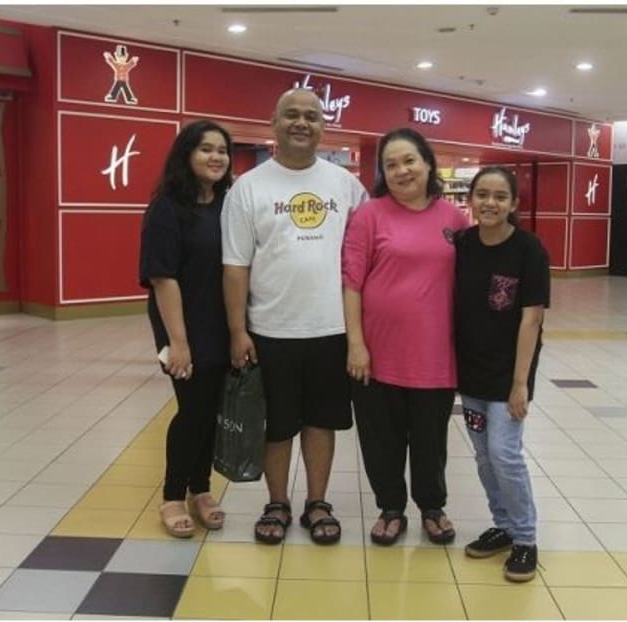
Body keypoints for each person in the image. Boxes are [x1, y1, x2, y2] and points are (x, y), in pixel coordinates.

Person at [222, 88, 368, 545]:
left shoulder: (345, 184)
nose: (301, 122)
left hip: (332, 329)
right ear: (274, 123)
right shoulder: (248, 188)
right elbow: (235, 265)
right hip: (271, 329)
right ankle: (278, 501)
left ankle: (317, 502)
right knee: (277, 423)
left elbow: (367, 255)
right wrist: (237, 330)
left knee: (322, 421)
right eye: (291, 115)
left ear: (324, 127)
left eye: (311, 115)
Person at [342, 128, 469, 546]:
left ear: (428, 163)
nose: (401, 171)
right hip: (377, 354)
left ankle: (432, 507)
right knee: (381, 438)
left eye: (409, 160)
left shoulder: (454, 219)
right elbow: (352, 284)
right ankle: (391, 508)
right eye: (391, 164)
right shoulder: (369, 215)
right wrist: (356, 344)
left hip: (436, 354)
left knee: (431, 441)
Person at [455, 165, 550, 582]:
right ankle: (504, 525)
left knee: (505, 454)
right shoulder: (462, 243)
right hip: (470, 373)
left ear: (513, 204)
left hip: (509, 375)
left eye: (499, 196)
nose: (489, 203)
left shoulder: (529, 250)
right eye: (482, 195)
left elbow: (531, 320)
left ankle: (526, 538)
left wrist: (519, 384)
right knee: (482, 454)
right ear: (471, 199)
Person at [139, 120, 233, 538]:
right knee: (193, 411)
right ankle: (173, 495)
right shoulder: (167, 207)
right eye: (205, 149)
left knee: (211, 411)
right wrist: (178, 343)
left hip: (222, 322)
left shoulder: (228, 203)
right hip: (182, 323)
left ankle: (201, 490)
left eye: (222, 150)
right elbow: (162, 277)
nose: (216, 157)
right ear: (186, 155)